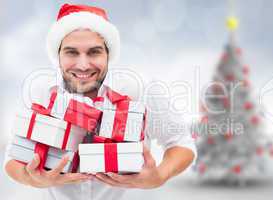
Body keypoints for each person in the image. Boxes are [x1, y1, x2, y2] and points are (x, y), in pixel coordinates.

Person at [3, 3, 196, 200]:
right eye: (71, 52)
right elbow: (12, 161)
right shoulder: (40, 92)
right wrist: (34, 180)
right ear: (58, 55)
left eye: (94, 52)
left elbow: (182, 144)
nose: (83, 65)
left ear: (108, 54)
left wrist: (159, 177)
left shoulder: (140, 89)